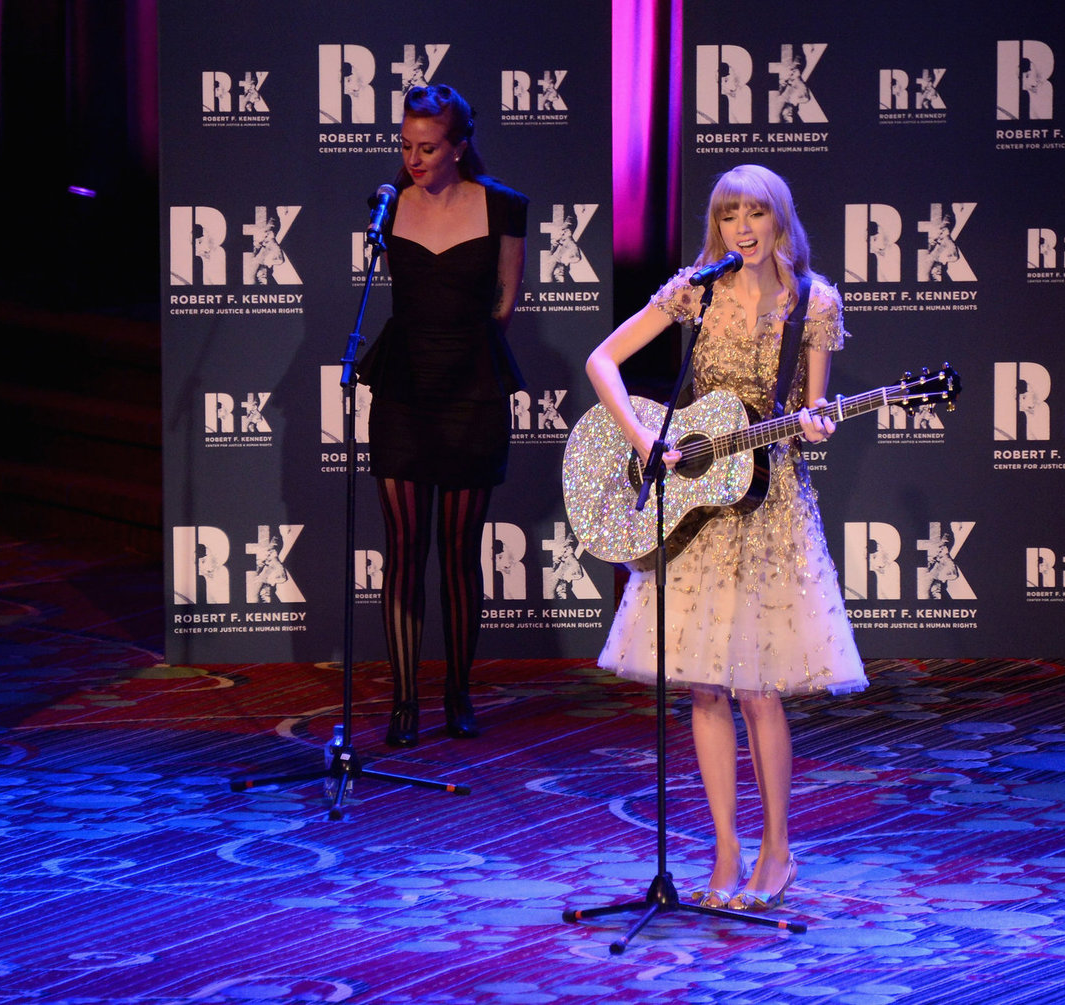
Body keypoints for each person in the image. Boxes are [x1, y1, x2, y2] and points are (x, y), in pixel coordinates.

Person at [584, 164, 865, 911]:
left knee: (757, 686)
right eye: (729, 214)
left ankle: (777, 849)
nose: (742, 227)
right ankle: (724, 847)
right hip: (699, 506)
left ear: (781, 220)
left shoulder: (813, 302)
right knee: (704, 684)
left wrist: (814, 424)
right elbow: (602, 360)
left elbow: (811, 414)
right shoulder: (695, 289)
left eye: (756, 214)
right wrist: (643, 435)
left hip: (771, 507)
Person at [357, 84, 527, 747]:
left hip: (472, 385)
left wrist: (462, 351)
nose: (414, 159)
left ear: (459, 147)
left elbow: (505, 300)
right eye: (405, 146)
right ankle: (404, 700)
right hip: (403, 383)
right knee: (403, 549)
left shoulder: (503, 207)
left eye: (428, 148)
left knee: (458, 552)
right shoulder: (386, 205)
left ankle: (457, 692)